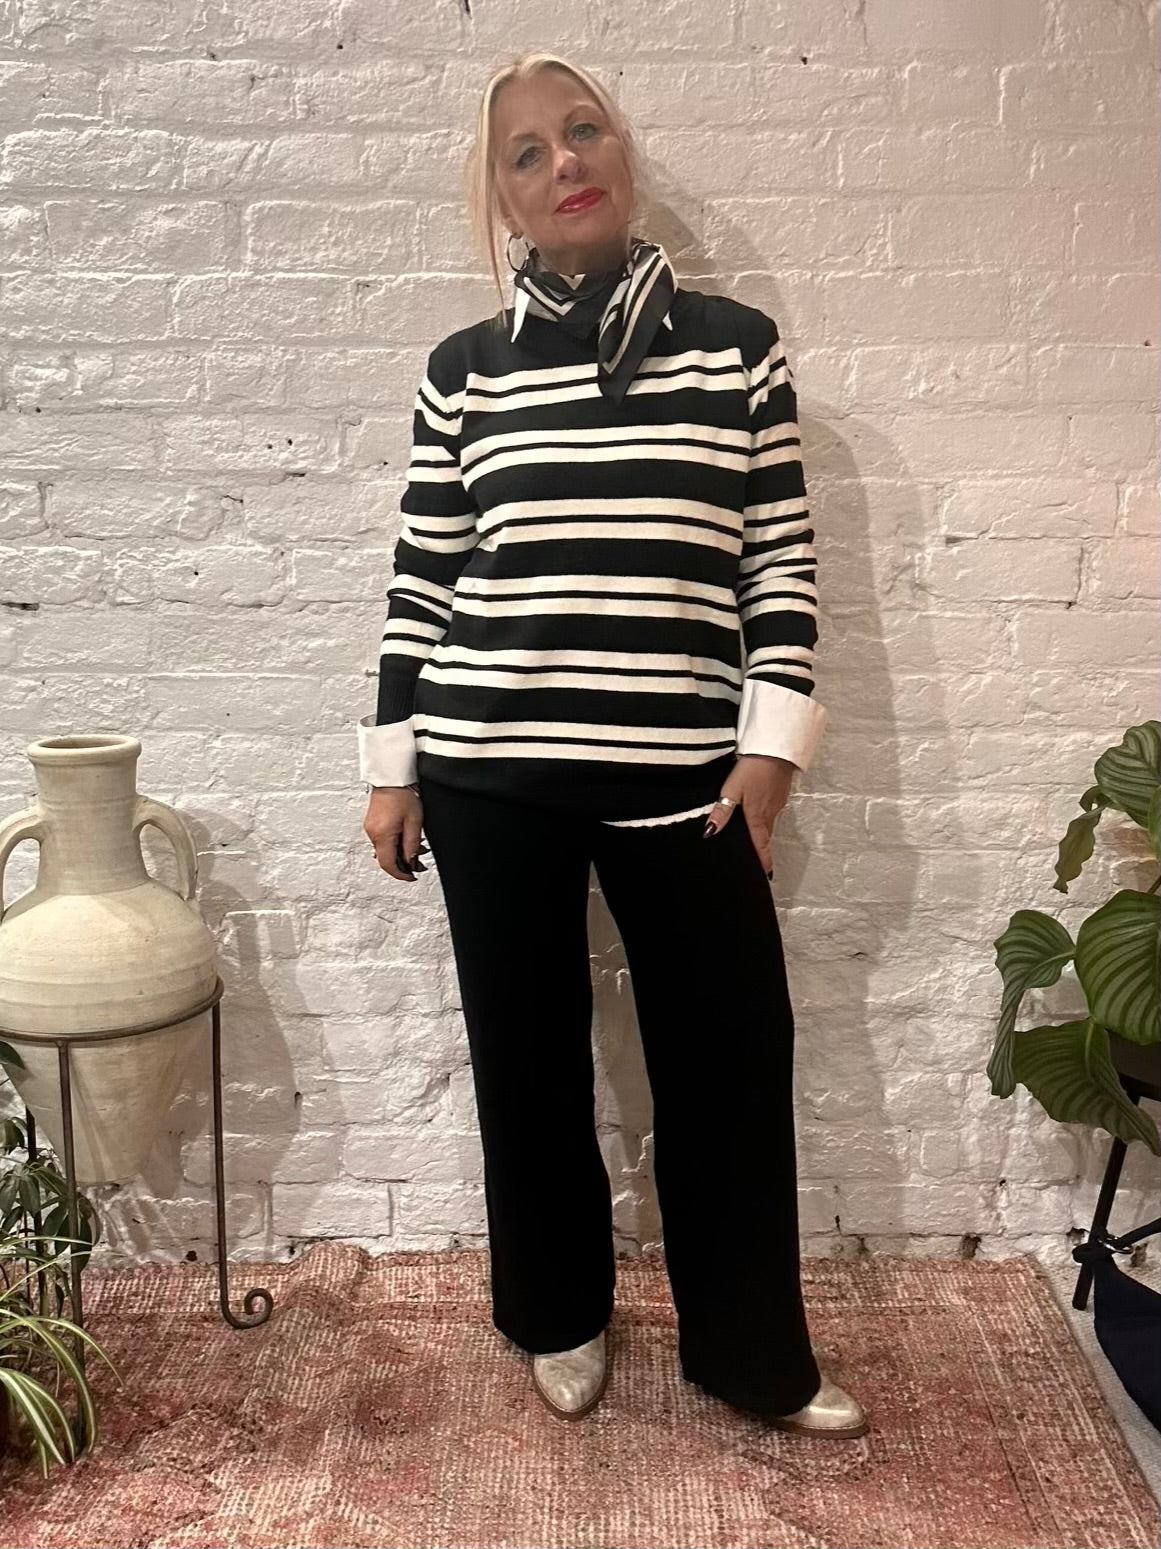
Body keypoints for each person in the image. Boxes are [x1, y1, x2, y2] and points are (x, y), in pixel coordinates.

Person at [359, 51, 868, 1439]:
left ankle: (751, 1352)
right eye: (525, 152)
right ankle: (557, 1314)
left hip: (684, 776)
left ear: (622, 152)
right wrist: (393, 765)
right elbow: (424, 576)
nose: (562, 161)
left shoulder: (736, 345)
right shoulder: (464, 371)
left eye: (581, 131)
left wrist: (770, 750)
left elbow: (777, 559)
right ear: (503, 201)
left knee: (729, 1058)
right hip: (488, 772)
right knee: (525, 1062)